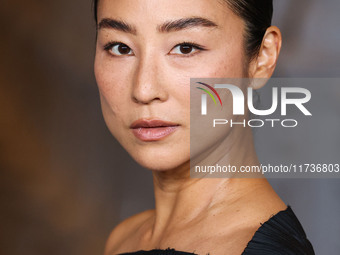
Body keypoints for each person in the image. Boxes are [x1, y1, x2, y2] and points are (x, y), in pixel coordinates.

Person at [93, 0, 315, 254]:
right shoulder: (124, 239)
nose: (144, 90)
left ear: (263, 57)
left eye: (185, 48)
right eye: (120, 48)